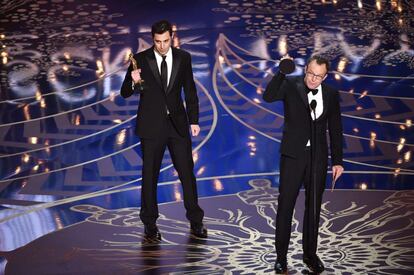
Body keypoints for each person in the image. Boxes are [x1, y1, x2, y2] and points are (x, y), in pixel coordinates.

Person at [120, 20, 207, 240]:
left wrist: (194, 120)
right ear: (153, 39)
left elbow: (190, 90)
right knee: (149, 176)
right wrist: (132, 81)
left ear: (172, 37)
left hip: (177, 125)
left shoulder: (183, 58)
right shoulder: (140, 59)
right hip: (151, 127)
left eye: (166, 41)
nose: (162, 46)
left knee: (187, 173)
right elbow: (125, 93)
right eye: (158, 41)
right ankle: (149, 223)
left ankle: (196, 220)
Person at [263, 55, 344, 273]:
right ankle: (281, 257)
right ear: (306, 69)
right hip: (292, 156)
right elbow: (268, 96)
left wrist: (337, 161)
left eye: (319, 76)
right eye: (310, 73)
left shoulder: (330, 94)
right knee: (285, 206)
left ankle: (310, 255)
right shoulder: (291, 84)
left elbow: (335, 128)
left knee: (314, 209)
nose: (313, 79)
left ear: (325, 76)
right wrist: (281, 72)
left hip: (317, 159)